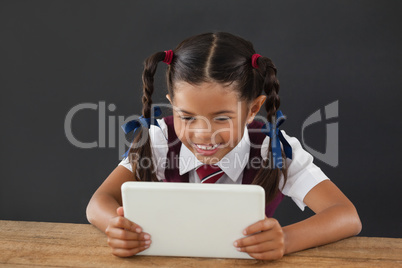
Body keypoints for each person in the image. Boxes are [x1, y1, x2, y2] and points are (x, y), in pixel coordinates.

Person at [86, 32, 362, 260]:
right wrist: (117, 227)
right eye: (187, 117)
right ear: (172, 105)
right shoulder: (158, 139)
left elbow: (346, 215)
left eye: (221, 118)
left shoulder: (274, 149)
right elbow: (98, 203)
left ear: (253, 109)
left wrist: (286, 240)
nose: (203, 134)